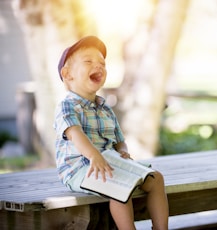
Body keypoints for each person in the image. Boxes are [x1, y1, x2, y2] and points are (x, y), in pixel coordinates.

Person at [53, 36, 169, 230]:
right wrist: (94, 156)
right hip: (79, 168)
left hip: (109, 162)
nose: (98, 66)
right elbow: (75, 134)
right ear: (68, 74)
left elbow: (119, 139)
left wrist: (123, 151)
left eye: (102, 63)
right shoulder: (67, 105)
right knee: (119, 187)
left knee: (156, 178)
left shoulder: (104, 107)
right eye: (88, 61)